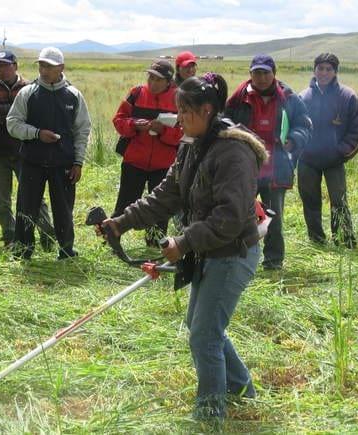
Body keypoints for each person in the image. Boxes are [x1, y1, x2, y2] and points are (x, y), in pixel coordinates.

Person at [99, 73, 268, 421]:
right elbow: (167, 194)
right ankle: (241, 390)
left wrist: (185, 241)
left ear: (207, 110)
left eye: (184, 112)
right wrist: (122, 221)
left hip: (233, 253)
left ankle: (209, 418)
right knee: (202, 326)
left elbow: (230, 218)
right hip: (210, 250)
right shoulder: (193, 144)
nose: (178, 119)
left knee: (204, 335)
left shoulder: (233, 151)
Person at [224, 54, 311, 270]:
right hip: (245, 169)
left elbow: (305, 125)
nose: (261, 78)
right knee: (240, 215)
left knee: (274, 220)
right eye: (256, 73)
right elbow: (224, 123)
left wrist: (293, 140)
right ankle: (237, 259)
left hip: (276, 169)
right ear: (250, 74)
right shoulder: (238, 97)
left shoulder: (289, 97)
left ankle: (273, 263)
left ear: (274, 73)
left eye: (265, 73)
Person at [7, 47, 91, 260]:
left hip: (63, 163)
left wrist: (78, 162)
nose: (44, 70)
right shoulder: (28, 93)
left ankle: (66, 250)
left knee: (64, 210)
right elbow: (12, 124)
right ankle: (23, 250)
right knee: (26, 208)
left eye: (50, 66)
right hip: (32, 161)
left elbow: (82, 130)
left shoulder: (74, 95)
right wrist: (36, 134)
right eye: (42, 65)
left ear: (61, 68)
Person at [0, 50, 55, 248]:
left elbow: (32, 113)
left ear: (15, 66)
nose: (2, 69)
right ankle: (10, 236)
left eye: (6, 65)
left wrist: (6, 111)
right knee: (1, 200)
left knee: (34, 196)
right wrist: (17, 111)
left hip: (25, 152)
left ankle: (47, 235)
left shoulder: (30, 87)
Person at [112, 59, 182, 246]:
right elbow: (118, 120)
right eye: (150, 77)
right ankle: (113, 239)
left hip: (163, 165)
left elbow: (184, 133)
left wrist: (163, 131)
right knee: (125, 203)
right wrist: (134, 125)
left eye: (158, 79)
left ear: (169, 81)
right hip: (134, 161)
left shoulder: (179, 99)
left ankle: (156, 245)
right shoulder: (136, 94)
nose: (152, 82)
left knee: (160, 207)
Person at [298, 53, 358, 248]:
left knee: (339, 201)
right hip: (307, 160)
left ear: (335, 72)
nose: (324, 73)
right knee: (309, 200)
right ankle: (316, 240)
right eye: (321, 68)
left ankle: (344, 241)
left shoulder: (348, 96)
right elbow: (295, 127)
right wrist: (300, 150)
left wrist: (340, 151)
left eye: (329, 69)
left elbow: (356, 130)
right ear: (314, 70)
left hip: (335, 159)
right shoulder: (302, 97)